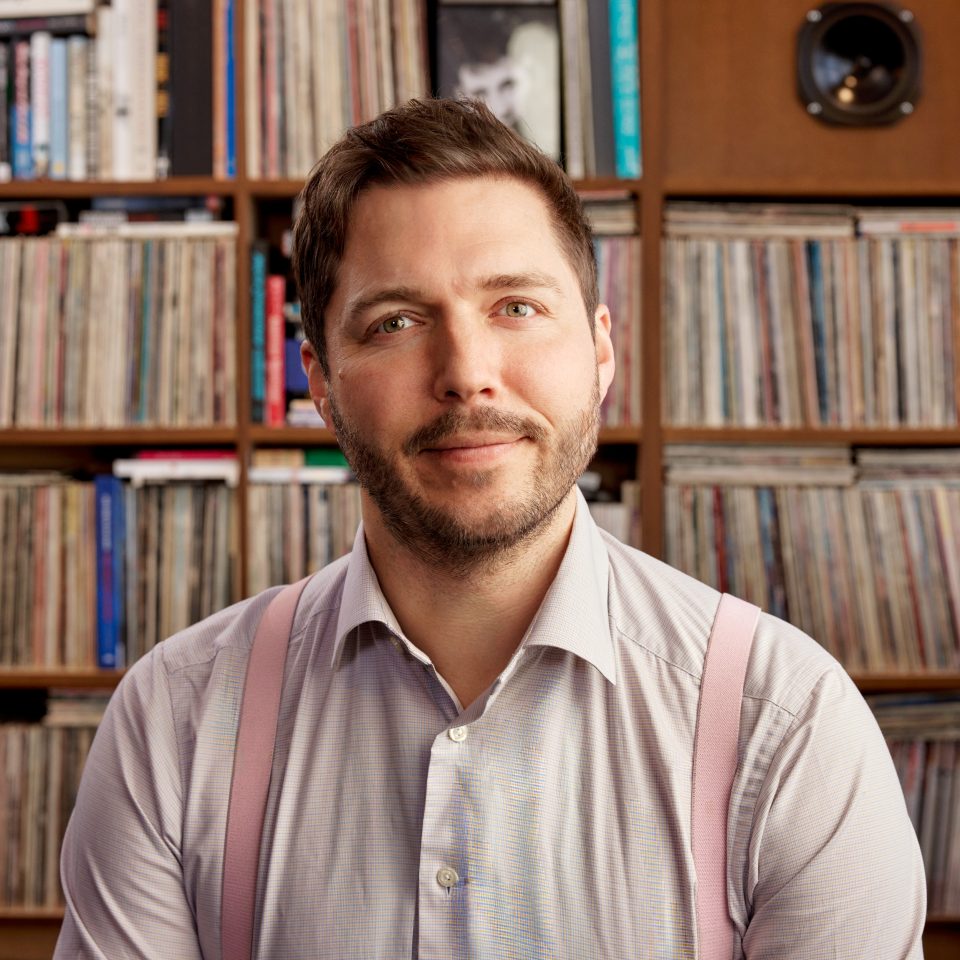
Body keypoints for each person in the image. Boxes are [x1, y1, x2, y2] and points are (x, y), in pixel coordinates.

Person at [55, 98, 925, 959]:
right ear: (319, 381)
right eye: (396, 321)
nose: (468, 374)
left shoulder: (787, 725)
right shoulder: (175, 721)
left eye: (516, 306)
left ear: (600, 349)